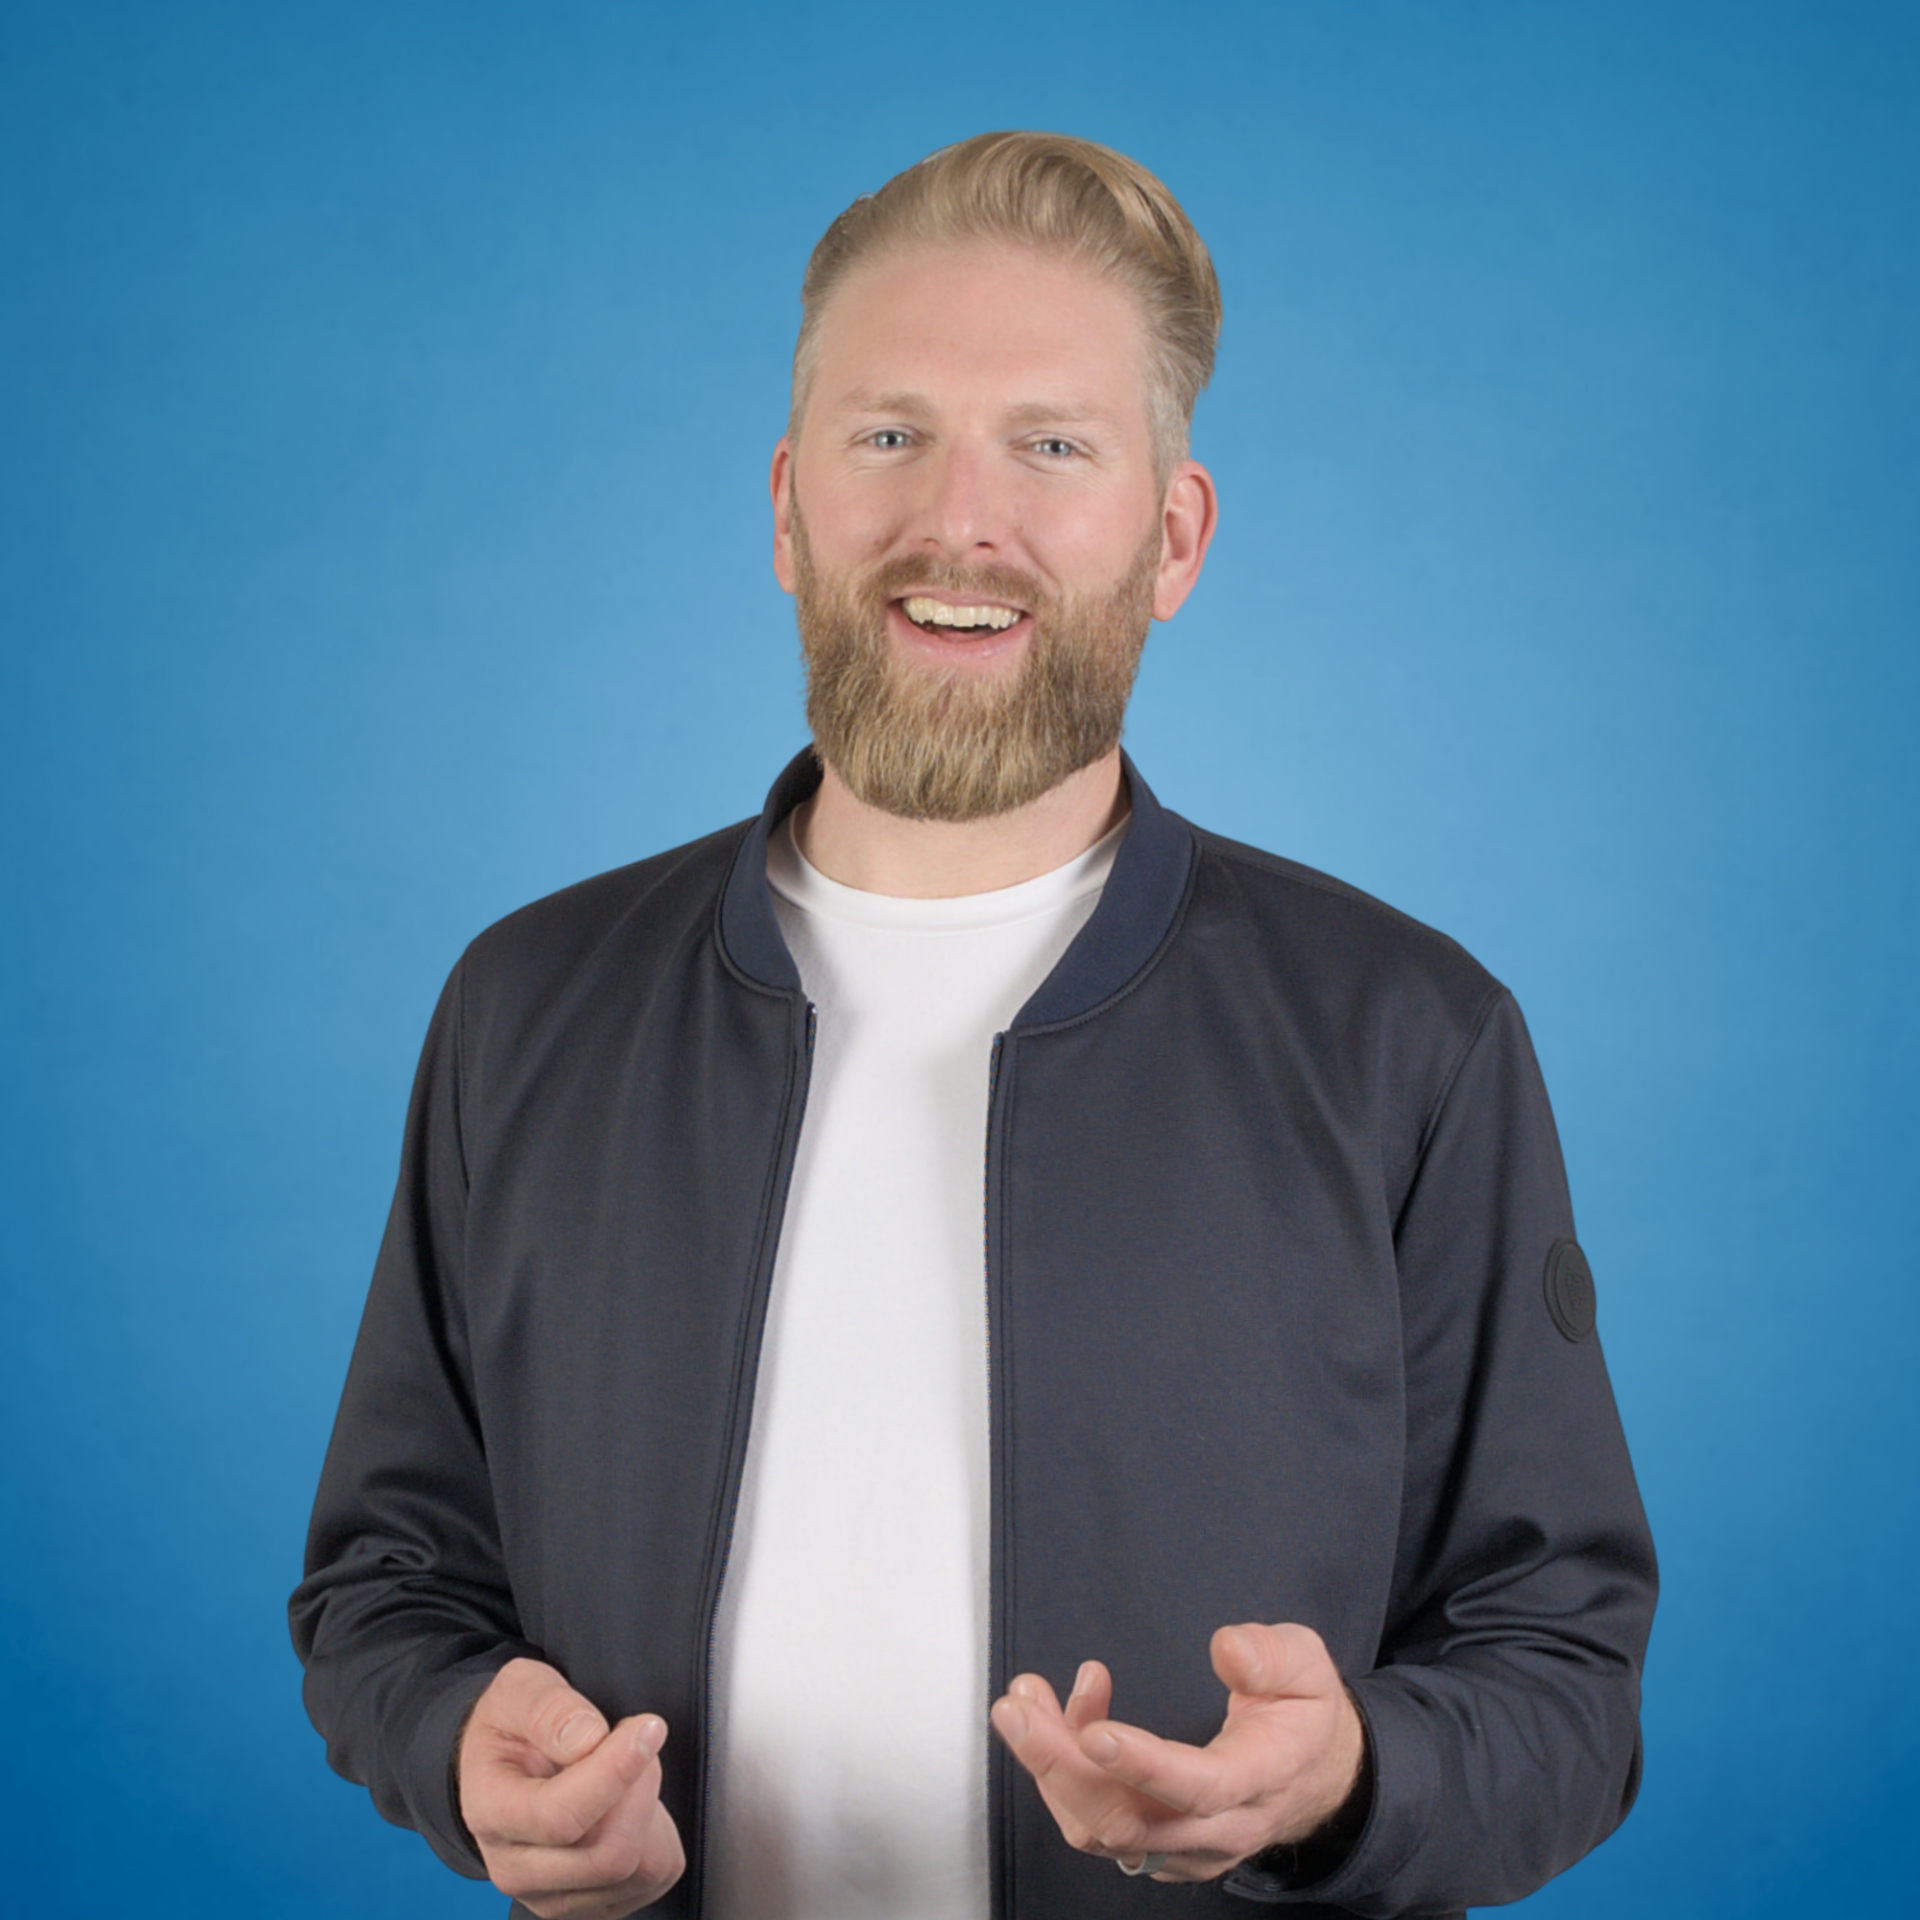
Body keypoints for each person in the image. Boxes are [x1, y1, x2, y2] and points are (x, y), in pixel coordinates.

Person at [291, 132, 1656, 1920]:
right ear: (787, 507)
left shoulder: (1410, 1040)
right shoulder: (529, 1006)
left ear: (1173, 538)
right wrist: (456, 1738)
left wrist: (1343, 1785)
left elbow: (1562, 1670)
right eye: (889, 435)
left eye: (1052, 446)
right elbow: (386, 1580)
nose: (959, 522)